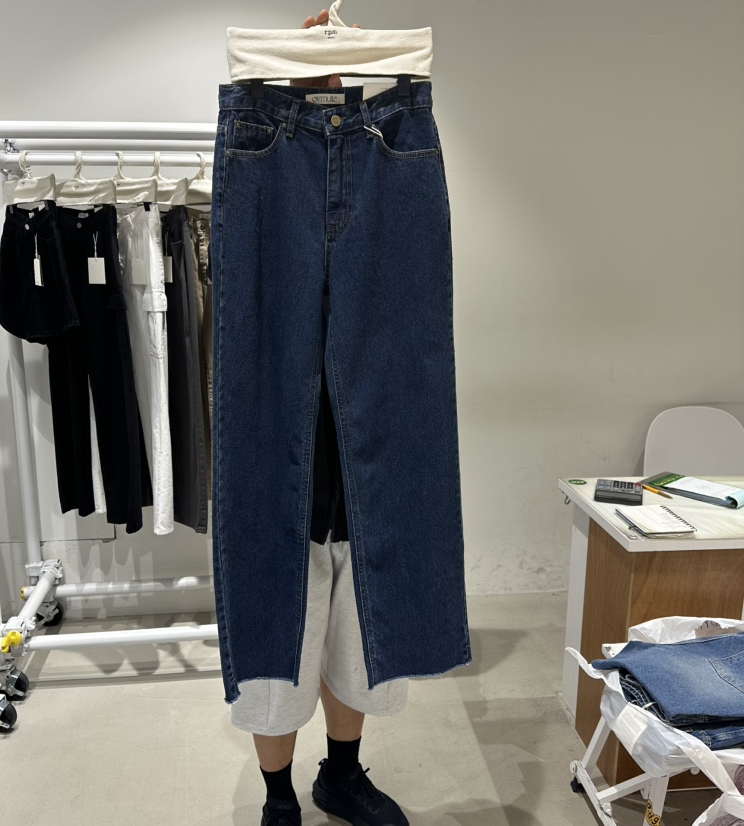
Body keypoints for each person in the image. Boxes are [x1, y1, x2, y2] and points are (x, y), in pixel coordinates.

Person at [228, 14, 411, 826]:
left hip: (365, 470)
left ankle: (341, 773)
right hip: (284, 481)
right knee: (279, 642)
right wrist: (300, 91)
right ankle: (278, 795)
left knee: (359, 637)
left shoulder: (381, 180)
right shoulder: (265, 179)